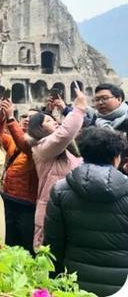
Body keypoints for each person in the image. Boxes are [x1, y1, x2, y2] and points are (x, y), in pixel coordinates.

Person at [44, 127, 128, 296]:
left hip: (75, 279)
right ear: (116, 157)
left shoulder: (61, 189)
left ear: (83, 154)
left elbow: (54, 242)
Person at [28, 87, 85, 251]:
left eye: (53, 119)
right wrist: (78, 109)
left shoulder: (66, 150)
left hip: (70, 206)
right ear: (38, 129)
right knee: (47, 254)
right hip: (51, 207)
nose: (54, 121)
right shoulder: (42, 148)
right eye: (47, 121)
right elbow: (65, 133)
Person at [0, 100, 38, 253]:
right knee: (9, 238)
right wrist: (1, 120)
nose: (27, 119)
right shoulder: (13, 139)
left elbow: (24, 145)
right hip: (8, 196)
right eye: (25, 116)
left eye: (32, 118)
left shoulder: (40, 143)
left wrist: (10, 118)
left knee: (25, 241)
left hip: (27, 201)